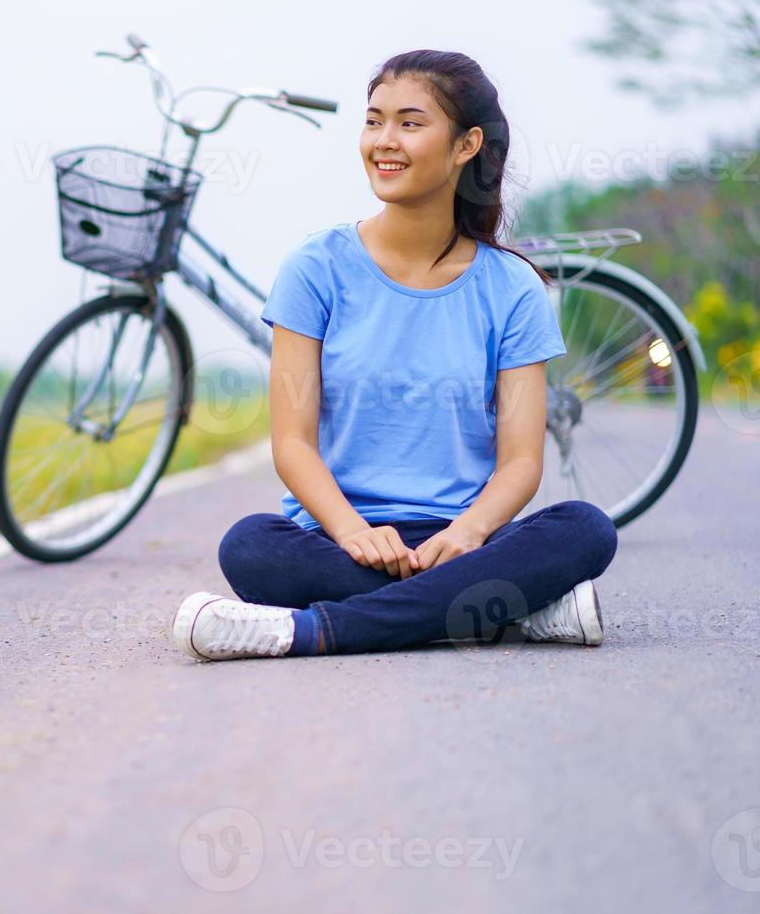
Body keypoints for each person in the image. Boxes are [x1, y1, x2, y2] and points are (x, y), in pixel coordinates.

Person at [172, 49, 619, 662]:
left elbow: (520, 461)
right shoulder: (316, 268)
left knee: (586, 529)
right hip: (336, 540)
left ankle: (311, 631)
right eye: (374, 120)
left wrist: (466, 534)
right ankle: (507, 615)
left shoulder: (511, 288)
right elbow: (293, 444)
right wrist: (353, 531)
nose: (384, 141)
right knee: (249, 546)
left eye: (410, 123)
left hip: (464, 545)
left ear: (466, 145)